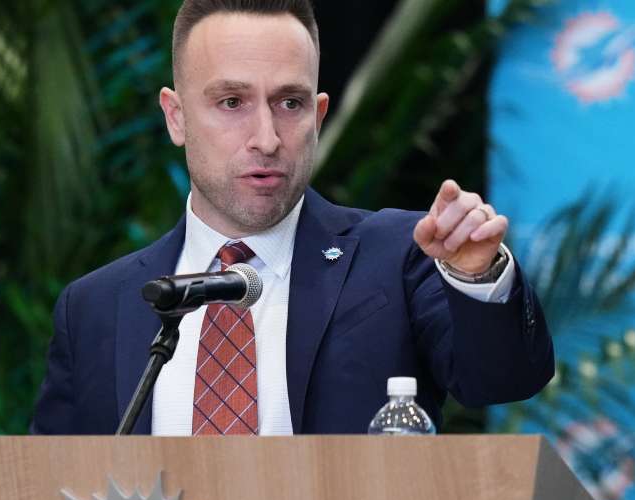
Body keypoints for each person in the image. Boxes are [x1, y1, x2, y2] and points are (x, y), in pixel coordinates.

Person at [31, 0, 553, 435]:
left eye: (289, 103)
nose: (266, 137)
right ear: (177, 116)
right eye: (232, 101)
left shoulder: (395, 256)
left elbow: (501, 381)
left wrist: (476, 275)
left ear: (319, 116)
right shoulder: (96, 307)